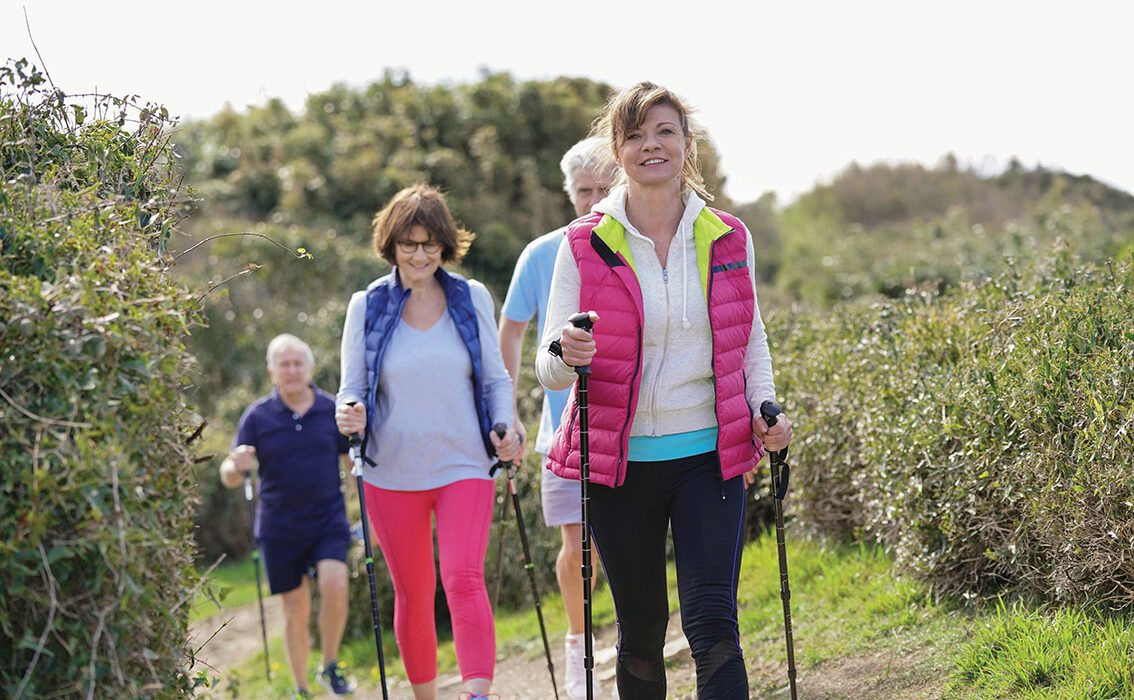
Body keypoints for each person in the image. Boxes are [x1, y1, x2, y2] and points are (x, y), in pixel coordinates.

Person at [535, 82, 794, 699]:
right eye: (635, 136)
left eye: (665, 132)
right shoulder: (584, 242)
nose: (652, 146)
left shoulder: (729, 236)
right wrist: (566, 354)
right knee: (643, 636)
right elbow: (547, 365)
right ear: (617, 151)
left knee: (714, 628)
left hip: (710, 457)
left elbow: (749, 338)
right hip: (621, 466)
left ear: (687, 143)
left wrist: (766, 408)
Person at [335, 183, 521, 700]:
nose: (420, 255)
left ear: (445, 245)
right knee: (414, 595)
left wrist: (505, 426)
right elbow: (350, 385)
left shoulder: (471, 296)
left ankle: (476, 694)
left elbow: (494, 378)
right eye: (408, 244)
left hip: (464, 461)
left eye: (430, 244)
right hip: (390, 471)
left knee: (463, 577)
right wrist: (347, 412)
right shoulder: (367, 305)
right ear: (390, 245)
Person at [498, 136, 614, 699]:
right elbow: (513, 328)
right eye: (583, 191)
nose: (593, 200)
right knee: (578, 545)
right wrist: (508, 409)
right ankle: (580, 649)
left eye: (603, 188)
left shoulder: (636, 243)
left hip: (631, 427)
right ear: (569, 193)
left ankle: (627, 643)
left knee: (625, 545)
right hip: (562, 430)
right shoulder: (542, 252)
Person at [219, 333, 355, 699]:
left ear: (310, 368)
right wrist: (236, 464)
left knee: (336, 585)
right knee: (296, 610)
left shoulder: (332, 410)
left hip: (328, 520)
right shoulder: (257, 417)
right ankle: (301, 688)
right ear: (272, 372)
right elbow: (230, 475)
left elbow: (353, 464)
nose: (292, 370)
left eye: (298, 363)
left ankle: (329, 664)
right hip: (280, 527)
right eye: (285, 364)